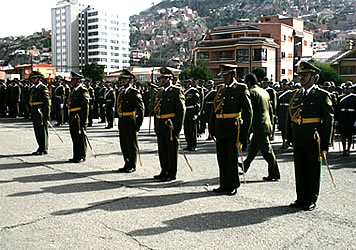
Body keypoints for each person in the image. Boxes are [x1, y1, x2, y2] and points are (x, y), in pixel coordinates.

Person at [286, 62, 334, 211]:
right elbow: (291, 117)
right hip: (299, 137)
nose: (301, 78)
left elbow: (328, 121)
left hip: (314, 139)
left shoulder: (322, 95)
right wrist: (289, 137)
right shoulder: (297, 94)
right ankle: (300, 197)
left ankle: (311, 198)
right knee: (300, 169)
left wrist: (326, 143)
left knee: (313, 170)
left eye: (305, 75)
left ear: (314, 78)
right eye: (300, 75)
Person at [209, 64, 253, 195]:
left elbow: (248, 112)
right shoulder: (220, 89)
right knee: (221, 158)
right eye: (222, 75)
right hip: (221, 128)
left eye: (226, 75)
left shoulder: (240, 88)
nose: (224, 78)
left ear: (233, 75)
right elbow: (214, 110)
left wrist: (244, 133)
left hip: (234, 129)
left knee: (231, 158)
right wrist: (211, 128)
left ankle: (233, 184)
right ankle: (224, 184)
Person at [241, 73, 280, 181]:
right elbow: (270, 109)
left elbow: (250, 111)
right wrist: (272, 123)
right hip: (266, 123)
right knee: (253, 147)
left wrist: (246, 129)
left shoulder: (252, 92)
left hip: (259, 124)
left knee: (267, 150)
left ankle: (274, 173)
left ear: (248, 82)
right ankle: (245, 165)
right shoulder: (264, 92)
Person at [153, 67, 185, 181]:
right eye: (160, 78)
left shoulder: (176, 91)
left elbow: (181, 111)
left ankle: (172, 173)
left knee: (171, 150)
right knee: (162, 150)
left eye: (163, 78)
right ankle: (164, 170)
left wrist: (177, 128)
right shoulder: (160, 92)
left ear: (169, 79)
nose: (160, 80)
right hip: (161, 125)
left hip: (170, 126)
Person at [115, 69, 145, 173]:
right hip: (122, 121)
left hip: (130, 121)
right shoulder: (121, 92)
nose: (122, 80)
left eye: (124, 79)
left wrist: (138, 125)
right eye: (122, 78)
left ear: (130, 81)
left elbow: (141, 110)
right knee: (124, 144)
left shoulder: (134, 92)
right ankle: (126, 163)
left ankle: (132, 164)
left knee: (131, 144)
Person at [67, 72, 90, 163]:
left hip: (79, 118)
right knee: (74, 137)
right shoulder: (73, 91)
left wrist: (84, 121)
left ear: (78, 81)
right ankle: (76, 155)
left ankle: (81, 155)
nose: (71, 82)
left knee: (80, 137)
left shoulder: (83, 91)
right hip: (73, 117)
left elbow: (85, 107)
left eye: (73, 80)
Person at [29, 71, 50, 155]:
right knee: (37, 130)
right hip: (35, 112)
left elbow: (46, 103)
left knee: (42, 130)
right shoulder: (34, 88)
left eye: (35, 78)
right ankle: (40, 146)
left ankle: (44, 148)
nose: (33, 80)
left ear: (39, 79)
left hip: (41, 112)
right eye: (32, 78)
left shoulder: (43, 88)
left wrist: (46, 115)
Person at [183, 79, 201, 151]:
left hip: (192, 111)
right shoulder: (183, 91)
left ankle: (193, 145)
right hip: (186, 111)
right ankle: (188, 144)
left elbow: (197, 102)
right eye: (184, 82)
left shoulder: (194, 91)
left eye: (186, 82)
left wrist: (196, 113)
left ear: (190, 83)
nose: (185, 84)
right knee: (186, 129)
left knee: (192, 129)